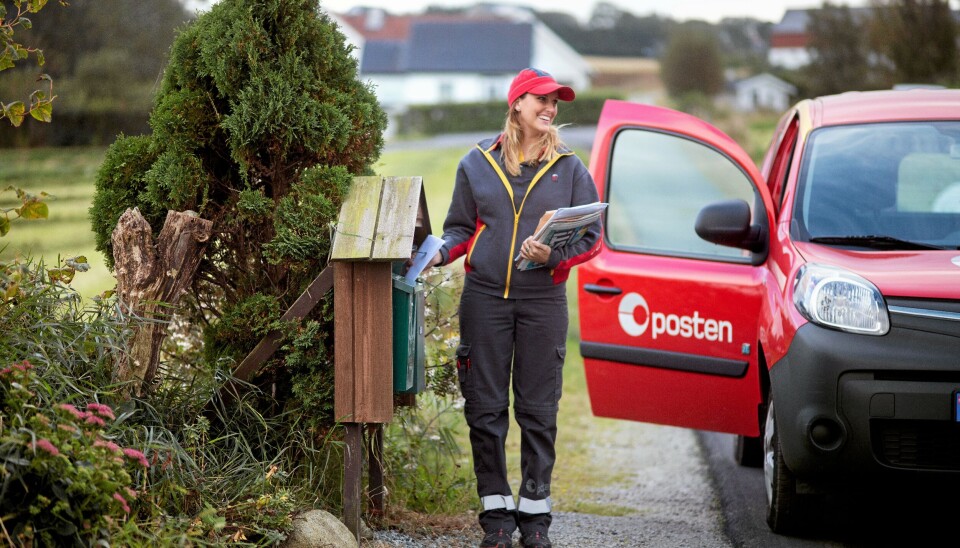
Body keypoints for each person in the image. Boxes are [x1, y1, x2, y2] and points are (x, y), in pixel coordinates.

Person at [425, 68, 602, 548]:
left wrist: (556, 256)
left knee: (539, 410)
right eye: (542, 100)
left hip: (543, 301)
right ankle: (496, 518)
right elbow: (460, 228)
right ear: (517, 103)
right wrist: (438, 252)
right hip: (484, 301)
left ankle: (536, 518)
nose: (550, 108)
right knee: (485, 410)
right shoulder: (477, 162)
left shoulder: (569, 167)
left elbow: (592, 237)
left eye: (555, 102)